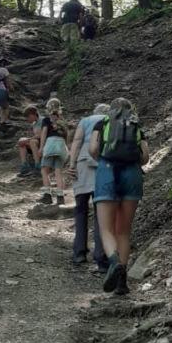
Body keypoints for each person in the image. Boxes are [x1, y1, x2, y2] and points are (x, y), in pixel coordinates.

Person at [89, 97, 149, 295]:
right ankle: (122, 283)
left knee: (107, 229)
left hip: (107, 170)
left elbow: (93, 150)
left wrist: (105, 159)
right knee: (123, 230)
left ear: (111, 110)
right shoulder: (136, 125)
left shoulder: (103, 122)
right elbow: (145, 157)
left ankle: (114, 263)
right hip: (132, 174)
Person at [68, 103, 110, 269]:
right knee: (101, 209)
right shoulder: (110, 120)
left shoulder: (85, 121)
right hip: (103, 162)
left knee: (81, 208)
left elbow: (77, 141)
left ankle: (79, 252)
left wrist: (71, 164)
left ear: (95, 111)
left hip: (83, 161)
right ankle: (100, 256)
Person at [38, 97, 70, 205]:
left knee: (44, 169)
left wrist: (41, 147)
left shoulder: (46, 120)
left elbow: (44, 133)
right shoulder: (62, 121)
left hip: (50, 144)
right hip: (61, 145)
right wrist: (67, 148)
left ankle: (47, 195)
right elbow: (66, 134)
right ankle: (60, 197)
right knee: (58, 171)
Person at [17, 105, 43, 176]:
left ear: (32, 115)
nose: (27, 119)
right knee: (22, 142)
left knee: (32, 141)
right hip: (35, 143)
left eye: (28, 117)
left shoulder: (42, 120)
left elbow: (41, 134)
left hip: (43, 143)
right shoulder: (34, 124)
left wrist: (28, 139)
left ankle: (38, 165)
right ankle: (24, 165)